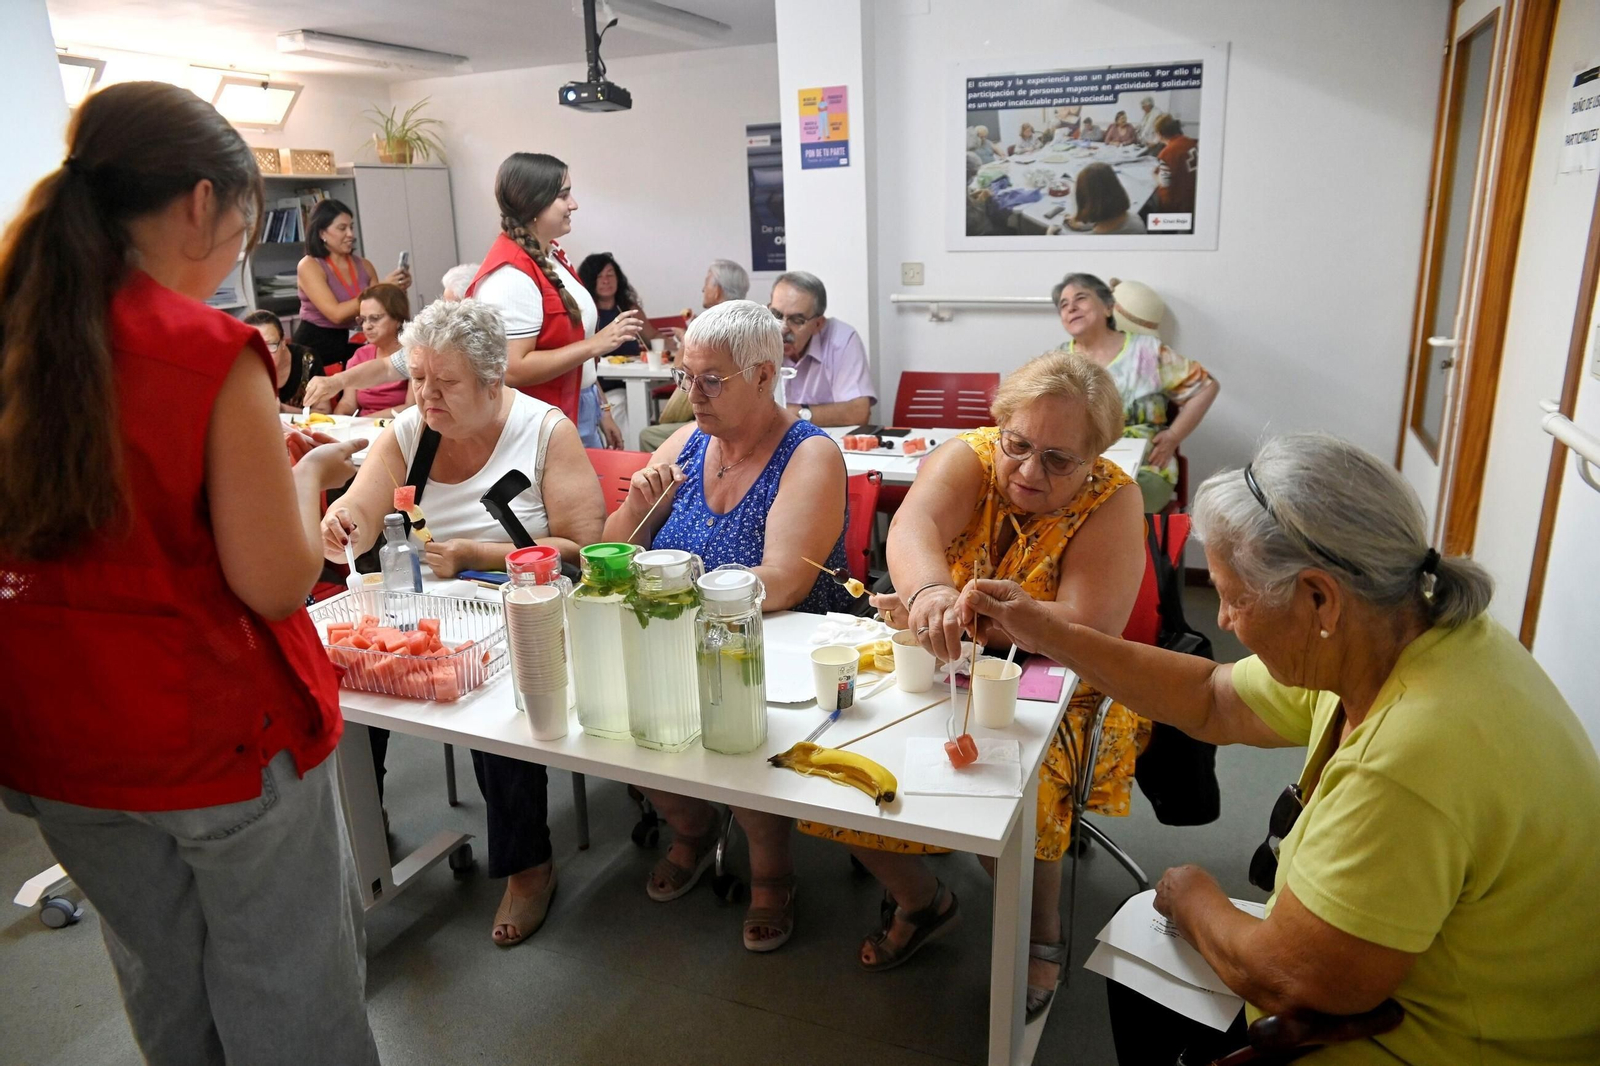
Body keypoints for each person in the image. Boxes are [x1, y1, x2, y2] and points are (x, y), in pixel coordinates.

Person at [959, 434, 1600, 1066]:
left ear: (1320, 598)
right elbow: (1213, 698)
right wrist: (1048, 631)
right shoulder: (1406, 628)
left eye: (1233, 598)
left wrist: (1192, 897)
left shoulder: (1410, 757)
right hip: (1424, 987)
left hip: (1448, 1044)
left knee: (1145, 955)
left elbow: (1292, 980)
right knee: (1142, 966)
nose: (1224, 621)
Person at [0, 81, 378, 1064]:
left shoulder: (22, 334)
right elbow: (275, 583)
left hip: (59, 741)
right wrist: (309, 477)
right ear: (201, 203)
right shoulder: (204, 352)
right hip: (211, 739)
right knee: (291, 1000)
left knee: (163, 988)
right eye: (243, 234)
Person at [806, 351, 1143, 1019]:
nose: (1029, 471)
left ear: (1095, 458)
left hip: (1061, 683)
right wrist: (930, 592)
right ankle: (922, 899)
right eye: (1019, 445)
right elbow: (914, 527)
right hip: (947, 660)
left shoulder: (1113, 498)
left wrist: (962, 616)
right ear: (1000, 427)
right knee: (838, 759)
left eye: (1059, 460)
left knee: (1027, 791)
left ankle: (1039, 931)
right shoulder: (972, 457)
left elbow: (1085, 625)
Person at [321, 299, 605, 948]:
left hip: (528, 610)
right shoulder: (408, 432)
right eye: (419, 377)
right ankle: (360, 837)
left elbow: (583, 549)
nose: (426, 395)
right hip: (437, 615)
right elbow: (359, 510)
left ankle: (529, 866)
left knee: (492, 704)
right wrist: (343, 525)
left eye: (445, 382)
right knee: (349, 685)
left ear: (492, 380)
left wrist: (480, 553)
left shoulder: (544, 431)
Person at [604, 300, 852, 953]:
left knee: (737, 715)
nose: (692, 394)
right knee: (619, 708)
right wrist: (637, 503)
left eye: (711, 379)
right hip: (685, 627)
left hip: (783, 640)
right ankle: (691, 826)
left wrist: (678, 595)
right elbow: (618, 550)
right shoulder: (689, 441)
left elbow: (786, 581)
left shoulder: (809, 453)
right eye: (686, 376)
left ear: (765, 375)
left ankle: (772, 870)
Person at [468, 153, 643, 424]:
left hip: (580, 403)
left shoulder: (552, 255)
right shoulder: (511, 277)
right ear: (534, 203)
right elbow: (513, 369)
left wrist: (602, 408)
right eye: (563, 196)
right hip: (545, 417)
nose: (574, 204)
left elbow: (575, 354)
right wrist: (595, 345)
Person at [1053, 272, 1218, 512]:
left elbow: (1206, 388)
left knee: (1111, 504)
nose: (1071, 308)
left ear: (1108, 307)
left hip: (1145, 466)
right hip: (1078, 466)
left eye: (1081, 298)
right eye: (1063, 305)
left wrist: (1173, 436)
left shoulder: (1147, 351)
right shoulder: (1057, 361)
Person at [301, 263, 480, 407]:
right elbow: (387, 368)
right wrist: (337, 381)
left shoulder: (481, 342)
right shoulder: (432, 343)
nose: (446, 313)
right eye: (363, 319)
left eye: (453, 306)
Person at [641, 258, 752, 452]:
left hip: (713, 418)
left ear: (717, 291)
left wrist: (687, 340)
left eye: (706, 283)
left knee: (647, 436)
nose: (702, 289)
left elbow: (681, 374)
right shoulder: (749, 323)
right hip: (742, 415)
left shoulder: (708, 327)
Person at [293, 197, 409, 371]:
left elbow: (381, 309)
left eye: (351, 227)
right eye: (342, 228)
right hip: (316, 348)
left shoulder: (365, 265)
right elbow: (336, 314)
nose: (350, 234)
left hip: (355, 343)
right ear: (322, 233)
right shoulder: (309, 265)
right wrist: (379, 288)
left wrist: (397, 289)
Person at [577, 251, 674, 449]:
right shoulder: (587, 313)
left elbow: (653, 336)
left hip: (638, 381)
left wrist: (680, 344)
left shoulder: (628, 309)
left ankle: (639, 452)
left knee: (638, 403)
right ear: (590, 280)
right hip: (604, 387)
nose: (606, 281)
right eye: (599, 276)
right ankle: (630, 454)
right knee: (621, 405)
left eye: (610, 274)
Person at [769, 271, 875, 427]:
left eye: (797, 320)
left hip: (823, 438)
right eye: (776, 315)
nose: (783, 328)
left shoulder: (841, 339)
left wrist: (795, 414)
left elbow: (859, 412)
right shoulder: (758, 337)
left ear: (818, 324)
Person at [335, 283, 412, 419]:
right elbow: (348, 402)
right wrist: (338, 418)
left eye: (375, 318)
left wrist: (364, 421)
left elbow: (411, 408)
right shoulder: (360, 355)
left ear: (398, 319)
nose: (367, 326)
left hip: (399, 426)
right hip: (363, 427)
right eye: (362, 320)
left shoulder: (414, 355)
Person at [246, 308, 329, 413]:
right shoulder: (240, 366)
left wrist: (283, 409)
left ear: (283, 341)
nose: (263, 354)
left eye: (270, 345)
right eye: (255, 347)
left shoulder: (306, 359)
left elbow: (325, 411)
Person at [1061, 162, 1145, 235]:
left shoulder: (1090, 242)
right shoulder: (1134, 219)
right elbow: (1107, 221)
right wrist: (1083, 225)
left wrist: (1053, 233)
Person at [1151, 115, 1199, 218]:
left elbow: (1165, 183)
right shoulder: (1189, 142)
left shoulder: (1167, 152)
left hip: (1175, 204)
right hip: (1191, 197)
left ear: (1159, 134)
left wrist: (1155, 176)